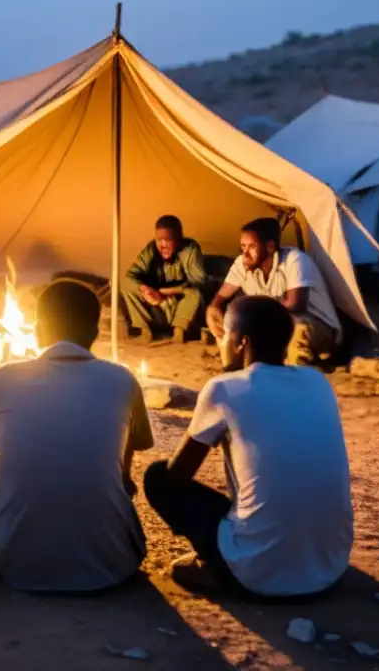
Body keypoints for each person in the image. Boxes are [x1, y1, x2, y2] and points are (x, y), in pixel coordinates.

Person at [143, 296, 352, 598]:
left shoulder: (224, 388)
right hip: (328, 567)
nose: (220, 341)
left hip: (256, 573)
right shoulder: (317, 382)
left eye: (224, 333)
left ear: (242, 342)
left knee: (157, 477)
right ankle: (293, 554)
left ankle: (221, 569)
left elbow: (177, 476)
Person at [0, 279, 154, 592]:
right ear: (96, 333)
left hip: (14, 562)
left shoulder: (1, 379)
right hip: (113, 564)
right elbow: (125, 473)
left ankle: (10, 533)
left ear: (39, 329)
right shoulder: (122, 381)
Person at [206, 217, 340, 365]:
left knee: (297, 338)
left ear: (270, 247)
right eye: (243, 247)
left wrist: (251, 312)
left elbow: (296, 305)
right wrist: (213, 309)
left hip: (314, 323)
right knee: (236, 336)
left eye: (251, 247)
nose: (245, 253)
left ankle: (299, 377)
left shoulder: (295, 261)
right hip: (276, 323)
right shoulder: (242, 264)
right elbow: (220, 297)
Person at [122, 215, 206, 344]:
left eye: (168, 240)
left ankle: (179, 332)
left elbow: (199, 282)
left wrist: (163, 292)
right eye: (159, 240)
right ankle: (146, 331)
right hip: (158, 307)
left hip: (183, 309)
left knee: (194, 293)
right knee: (124, 283)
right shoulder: (151, 249)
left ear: (179, 239)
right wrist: (144, 289)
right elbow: (132, 275)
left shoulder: (190, 248)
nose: (163, 245)